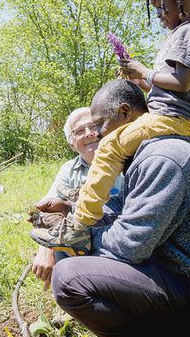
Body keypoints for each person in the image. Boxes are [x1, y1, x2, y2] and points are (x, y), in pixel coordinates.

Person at [31, 0, 190, 254]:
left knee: (109, 149)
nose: (158, 14)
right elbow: (176, 86)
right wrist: (143, 82)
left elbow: (181, 83)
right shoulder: (186, 33)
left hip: (174, 119)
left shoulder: (186, 33)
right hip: (176, 117)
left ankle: (80, 226)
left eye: (161, 6)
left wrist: (143, 71)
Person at [50, 80, 190, 336]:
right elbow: (123, 207)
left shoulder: (162, 158)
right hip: (189, 281)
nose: (99, 135)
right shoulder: (149, 151)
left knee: (68, 278)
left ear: (125, 113)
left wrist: (79, 238)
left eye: (100, 125)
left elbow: (128, 247)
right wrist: (71, 209)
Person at [31, 107, 124, 288]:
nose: (89, 134)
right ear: (72, 143)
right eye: (80, 131)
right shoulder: (68, 170)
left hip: (119, 239)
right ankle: (71, 294)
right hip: (84, 240)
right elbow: (41, 211)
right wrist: (45, 248)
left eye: (93, 126)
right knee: (61, 237)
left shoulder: (124, 160)